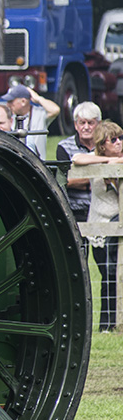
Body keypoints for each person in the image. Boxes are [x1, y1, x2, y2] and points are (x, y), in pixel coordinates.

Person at [73, 120, 123, 332]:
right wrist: (107, 161)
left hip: (117, 226)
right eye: (114, 140)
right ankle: (106, 324)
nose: (119, 143)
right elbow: (76, 158)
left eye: (121, 138)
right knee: (108, 276)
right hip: (101, 226)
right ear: (103, 144)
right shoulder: (96, 159)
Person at [57, 102, 103, 226]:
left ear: (99, 124)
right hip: (76, 209)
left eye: (90, 123)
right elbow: (64, 182)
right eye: (82, 123)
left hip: (103, 209)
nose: (86, 127)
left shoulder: (108, 145)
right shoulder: (64, 147)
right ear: (75, 125)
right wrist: (96, 178)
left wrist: (79, 180)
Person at [0, 83, 60, 159]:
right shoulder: (10, 117)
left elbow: (55, 110)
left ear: (23, 101)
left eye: (11, 101)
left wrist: (38, 98)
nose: (8, 104)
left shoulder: (39, 114)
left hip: (38, 164)